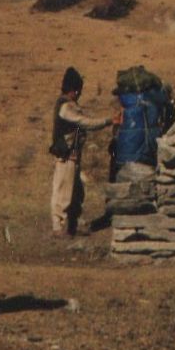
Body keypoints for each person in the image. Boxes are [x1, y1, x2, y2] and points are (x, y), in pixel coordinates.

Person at [49, 66, 118, 238]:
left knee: (76, 192)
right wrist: (109, 121)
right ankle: (60, 227)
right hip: (66, 156)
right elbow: (84, 122)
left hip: (73, 155)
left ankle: (71, 224)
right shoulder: (66, 107)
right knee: (64, 193)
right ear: (74, 90)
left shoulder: (67, 105)